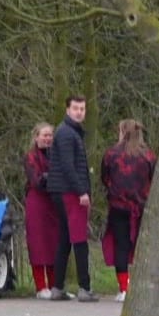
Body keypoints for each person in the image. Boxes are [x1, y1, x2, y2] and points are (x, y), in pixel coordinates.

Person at [47, 96, 96, 302]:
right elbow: (68, 166)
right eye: (75, 108)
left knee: (66, 239)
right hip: (69, 192)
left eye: (82, 109)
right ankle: (84, 288)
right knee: (79, 239)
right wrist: (81, 191)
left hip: (63, 190)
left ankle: (57, 287)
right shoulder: (67, 133)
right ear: (67, 110)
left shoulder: (70, 132)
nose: (79, 112)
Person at [101, 119, 156, 300]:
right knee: (143, 247)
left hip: (118, 205)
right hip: (142, 206)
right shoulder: (148, 155)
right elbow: (153, 179)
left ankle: (124, 288)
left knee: (121, 246)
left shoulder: (111, 154)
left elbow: (105, 177)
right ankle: (144, 286)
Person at [22, 123, 59, 299]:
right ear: (36, 137)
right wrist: (52, 178)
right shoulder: (30, 157)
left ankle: (54, 285)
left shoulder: (56, 156)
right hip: (37, 201)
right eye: (44, 135)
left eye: (50, 135)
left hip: (53, 202)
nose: (47, 138)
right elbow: (36, 180)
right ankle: (40, 286)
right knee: (38, 243)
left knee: (53, 243)